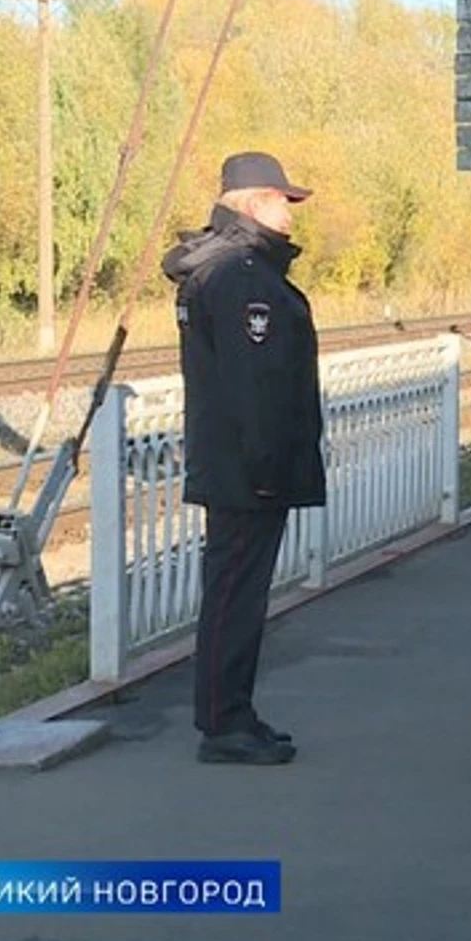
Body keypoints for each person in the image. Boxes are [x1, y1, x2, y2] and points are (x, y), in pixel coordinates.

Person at [162, 151, 324, 765]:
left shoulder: (229, 268)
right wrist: (265, 467)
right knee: (234, 594)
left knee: (239, 593)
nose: (291, 212)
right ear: (255, 202)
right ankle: (223, 723)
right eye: (286, 200)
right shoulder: (240, 276)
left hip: (236, 461)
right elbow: (254, 382)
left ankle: (233, 713)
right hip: (245, 468)